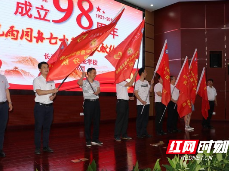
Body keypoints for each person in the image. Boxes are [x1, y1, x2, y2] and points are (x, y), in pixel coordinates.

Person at [33, 62, 58, 155]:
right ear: (39, 69)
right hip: (40, 107)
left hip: (49, 107)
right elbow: (39, 92)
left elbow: (54, 93)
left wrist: (53, 96)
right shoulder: (37, 80)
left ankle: (45, 146)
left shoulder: (51, 80)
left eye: (47, 67)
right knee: (38, 128)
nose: (46, 69)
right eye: (44, 67)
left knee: (47, 128)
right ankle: (37, 148)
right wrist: (52, 91)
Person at [78, 68, 102, 147]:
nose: (95, 74)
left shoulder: (97, 82)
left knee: (96, 121)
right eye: (93, 73)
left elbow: (98, 90)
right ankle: (88, 140)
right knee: (87, 121)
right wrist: (82, 76)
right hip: (88, 103)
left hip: (96, 102)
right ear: (88, 73)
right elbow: (79, 83)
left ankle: (95, 139)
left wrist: (97, 92)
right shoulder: (84, 82)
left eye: (95, 73)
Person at [114, 71, 138, 141]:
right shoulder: (119, 80)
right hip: (121, 103)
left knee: (125, 119)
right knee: (120, 119)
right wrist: (134, 76)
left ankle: (124, 134)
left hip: (125, 102)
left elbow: (122, 93)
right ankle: (117, 135)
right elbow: (130, 84)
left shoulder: (123, 81)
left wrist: (128, 98)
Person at [134, 68, 153, 138]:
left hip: (147, 103)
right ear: (142, 73)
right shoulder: (137, 83)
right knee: (140, 118)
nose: (146, 73)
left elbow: (150, 91)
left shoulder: (146, 82)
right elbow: (135, 93)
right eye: (145, 72)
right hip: (140, 104)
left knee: (145, 119)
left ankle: (144, 132)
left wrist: (152, 84)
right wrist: (141, 101)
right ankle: (139, 133)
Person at [0, 60, 13, 157]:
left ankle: (0, 149)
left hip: (3, 105)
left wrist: (10, 102)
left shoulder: (3, 77)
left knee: (2, 128)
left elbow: (6, 90)